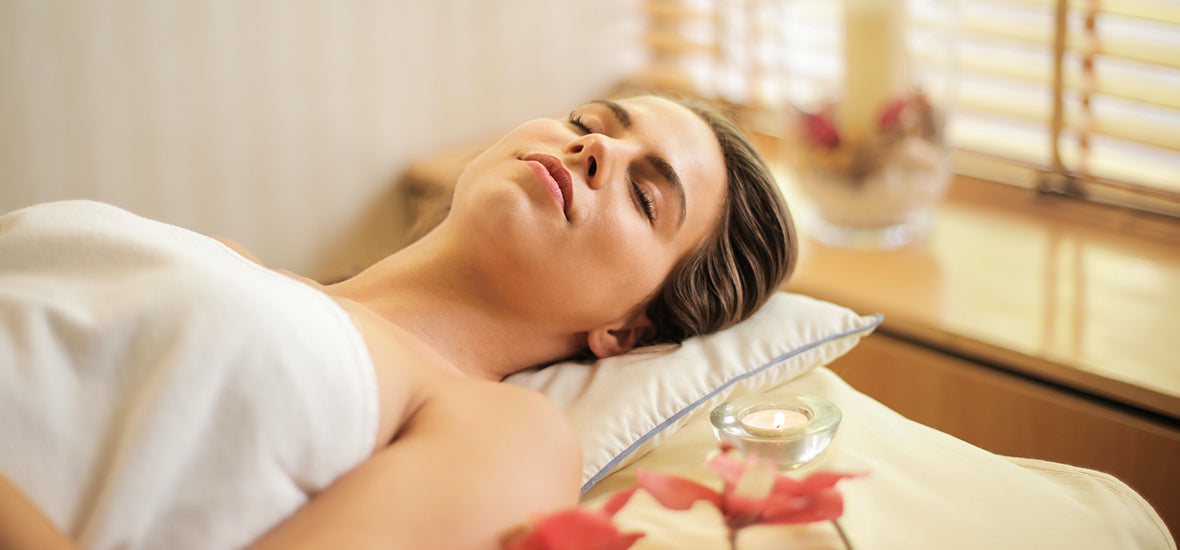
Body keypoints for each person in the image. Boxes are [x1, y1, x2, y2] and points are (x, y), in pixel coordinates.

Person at [0, 94, 796, 550]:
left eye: (645, 196)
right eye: (592, 122)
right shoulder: (225, 257)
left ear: (624, 332)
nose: (593, 152)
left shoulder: (504, 429)